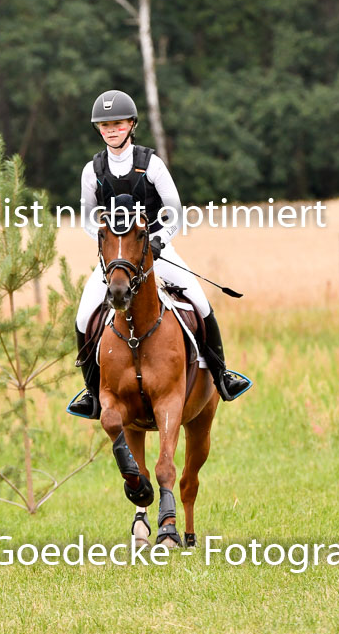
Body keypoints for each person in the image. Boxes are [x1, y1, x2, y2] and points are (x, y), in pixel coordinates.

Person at [67, 89, 252, 419]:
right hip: (117, 261)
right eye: (105, 125)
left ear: (132, 124)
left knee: (200, 302)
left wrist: (157, 239)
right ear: (98, 129)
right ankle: (92, 393)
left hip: (157, 252)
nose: (112, 130)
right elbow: (87, 217)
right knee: (83, 317)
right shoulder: (91, 170)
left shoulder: (150, 164)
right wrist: (107, 245)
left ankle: (222, 375)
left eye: (118, 123)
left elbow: (174, 211)